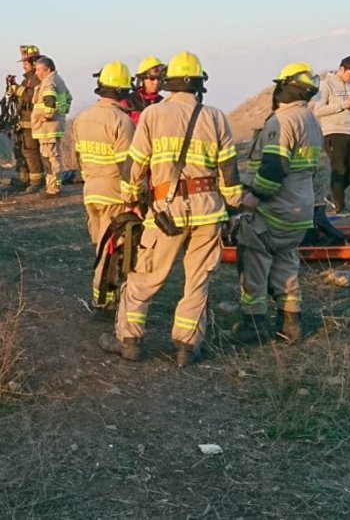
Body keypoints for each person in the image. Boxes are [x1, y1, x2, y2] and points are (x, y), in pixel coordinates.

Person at [99, 51, 243, 367]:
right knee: (197, 281)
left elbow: (134, 166)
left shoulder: (152, 116)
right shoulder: (216, 117)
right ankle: (187, 346)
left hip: (166, 213)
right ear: (199, 85)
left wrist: (131, 198)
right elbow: (229, 171)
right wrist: (233, 202)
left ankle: (129, 340)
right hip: (208, 212)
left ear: (168, 83)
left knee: (144, 276)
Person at [234, 62, 324, 344]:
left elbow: (274, 167)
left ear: (284, 87)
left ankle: (254, 323)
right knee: (286, 259)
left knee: (255, 260)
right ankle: (291, 322)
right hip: (301, 208)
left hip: (274, 208)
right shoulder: (310, 119)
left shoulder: (282, 121)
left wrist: (253, 196)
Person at [74, 61, 135, 306]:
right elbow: (126, 166)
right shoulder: (122, 122)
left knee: (100, 243)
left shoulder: (82, 118)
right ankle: (104, 299)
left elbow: (79, 157)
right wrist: (135, 197)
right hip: (114, 193)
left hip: (91, 191)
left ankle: (106, 295)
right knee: (111, 248)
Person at [310, 54, 350, 213]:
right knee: (339, 169)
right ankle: (339, 206)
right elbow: (318, 110)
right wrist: (343, 105)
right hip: (333, 132)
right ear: (342, 68)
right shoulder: (326, 85)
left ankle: (333, 195)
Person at [30, 55, 72, 198]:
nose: (36, 73)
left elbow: (49, 101)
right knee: (53, 156)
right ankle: (53, 186)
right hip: (54, 126)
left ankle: (53, 189)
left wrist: (45, 117)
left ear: (47, 70)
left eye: (38, 70)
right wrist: (61, 114)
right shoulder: (58, 80)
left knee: (50, 158)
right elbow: (68, 98)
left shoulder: (49, 82)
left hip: (47, 128)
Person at [6, 45, 43, 191]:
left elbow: (31, 96)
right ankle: (25, 179)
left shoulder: (37, 79)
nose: (23, 66)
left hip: (33, 123)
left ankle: (36, 182)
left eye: (25, 63)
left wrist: (17, 89)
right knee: (23, 151)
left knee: (32, 152)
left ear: (34, 63)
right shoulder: (27, 80)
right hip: (24, 123)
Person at [121, 56, 165, 125]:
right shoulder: (128, 102)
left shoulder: (164, 103)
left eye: (159, 78)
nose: (156, 82)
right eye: (152, 79)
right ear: (142, 79)